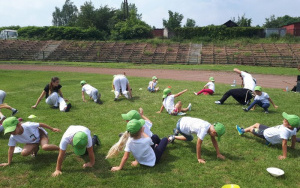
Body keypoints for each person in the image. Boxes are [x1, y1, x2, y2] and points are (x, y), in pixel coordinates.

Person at [106, 119, 171, 171]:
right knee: (164, 139)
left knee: (154, 137)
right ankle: (168, 140)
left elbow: (125, 157)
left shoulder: (129, 141)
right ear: (140, 130)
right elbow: (149, 139)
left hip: (141, 160)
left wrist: (119, 167)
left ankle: (157, 145)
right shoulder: (147, 140)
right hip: (153, 159)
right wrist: (142, 132)